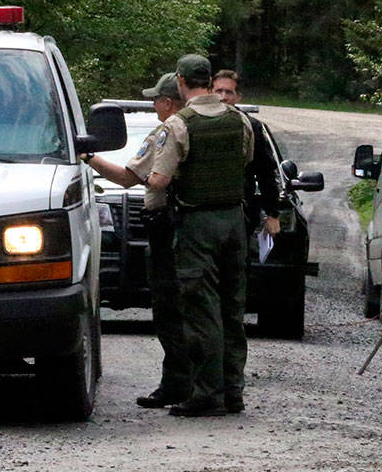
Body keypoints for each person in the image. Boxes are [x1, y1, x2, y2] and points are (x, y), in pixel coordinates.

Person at [148, 54, 253, 417]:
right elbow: (245, 160)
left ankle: (207, 393)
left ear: (180, 81)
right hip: (234, 220)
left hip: (197, 223)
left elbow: (159, 179)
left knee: (201, 309)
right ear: (209, 80)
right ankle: (233, 390)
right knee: (232, 307)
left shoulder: (179, 124)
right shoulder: (240, 120)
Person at [83, 72, 190, 408]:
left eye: (156, 99)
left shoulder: (167, 131)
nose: (154, 104)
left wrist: (88, 157)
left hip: (167, 228)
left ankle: (177, 384)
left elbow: (128, 178)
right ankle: (207, 385)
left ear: (168, 102)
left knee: (169, 309)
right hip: (199, 230)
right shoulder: (205, 127)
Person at [211, 70, 282, 238]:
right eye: (218, 91)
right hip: (202, 211)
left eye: (229, 92)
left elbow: (265, 172)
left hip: (239, 211)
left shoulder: (250, 127)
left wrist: (272, 213)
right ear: (209, 93)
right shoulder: (194, 123)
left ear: (238, 97)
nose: (223, 97)